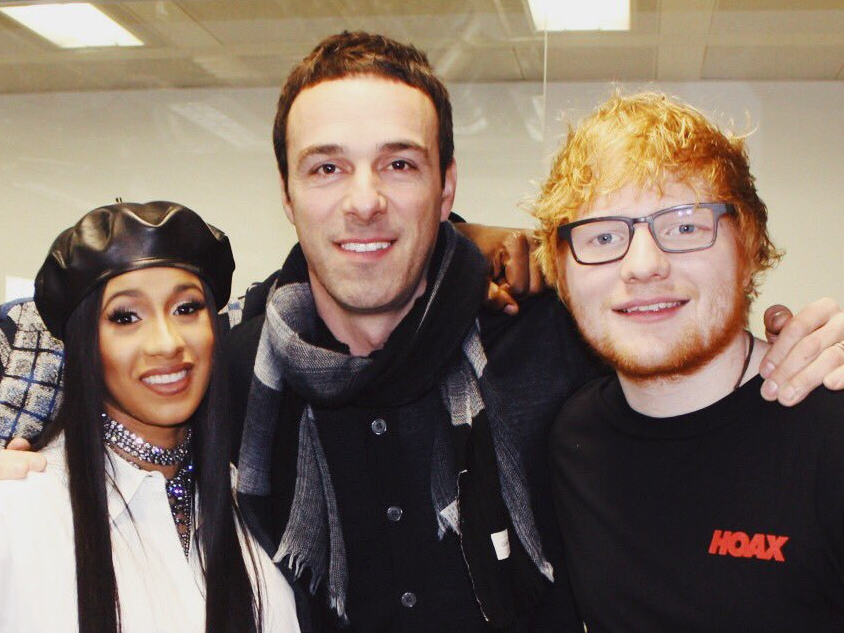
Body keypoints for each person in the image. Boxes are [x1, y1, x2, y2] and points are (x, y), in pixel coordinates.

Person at [2, 32, 844, 633]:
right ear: (289, 197)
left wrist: (816, 338)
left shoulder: (549, 337)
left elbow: (682, 333)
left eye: (399, 163)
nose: (364, 199)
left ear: (446, 191)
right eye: (327, 166)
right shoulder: (228, 373)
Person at [538, 92, 844, 631]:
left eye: (684, 225)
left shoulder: (829, 429)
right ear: (560, 273)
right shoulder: (568, 437)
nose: (644, 265)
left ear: (748, 243)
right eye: (604, 235)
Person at [0, 201, 300, 633]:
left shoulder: (253, 508)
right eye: (126, 317)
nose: (166, 342)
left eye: (187, 308)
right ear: (84, 343)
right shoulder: (23, 510)